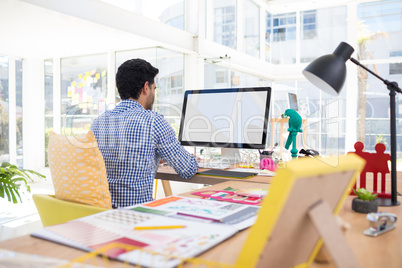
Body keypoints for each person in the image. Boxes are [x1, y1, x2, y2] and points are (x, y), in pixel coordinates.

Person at [91, 58, 198, 208]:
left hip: (104, 216)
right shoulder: (153, 121)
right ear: (146, 87)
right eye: (154, 89)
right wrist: (193, 159)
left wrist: (155, 155)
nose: (153, 94)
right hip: (137, 217)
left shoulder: (98, 123)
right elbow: (187, 169)